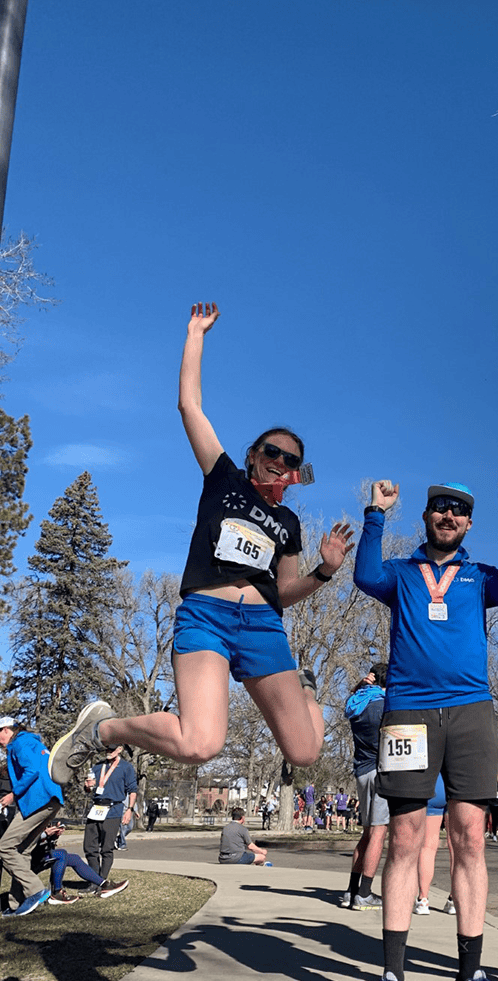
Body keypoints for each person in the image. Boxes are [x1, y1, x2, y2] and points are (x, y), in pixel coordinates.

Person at [47, 303, 353, 786]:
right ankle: (103, 730)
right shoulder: (223, 478)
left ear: (295, 471)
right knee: (200, 744)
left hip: (262, 626)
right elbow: (190, 405)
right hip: (207, 616)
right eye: (270, 451)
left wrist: (325, 571)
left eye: (289, 457)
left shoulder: (288, 522)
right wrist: (196, 335)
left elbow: (285, 590)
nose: (278, 459)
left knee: (305, 750)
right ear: (254, 455)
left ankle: (305, 690)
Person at [354, 478, 498, 981]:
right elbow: (364, 573)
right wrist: (376, 514)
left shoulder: (478, 578)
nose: (448, 515)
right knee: (406, 839)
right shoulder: (402, 574)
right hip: (407, 713)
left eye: (459, 510)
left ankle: (470, 980)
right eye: (440, 508)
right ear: (428, 516)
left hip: (471, 712)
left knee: (470, 838)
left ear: (468, 524)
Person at [340, 663, 390, 911]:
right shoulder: (384, 706)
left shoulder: (357, 703)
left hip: (361, 770)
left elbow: (353, 695)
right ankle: (365, 893)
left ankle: (351, 891)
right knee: (379, 834)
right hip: (380, 772)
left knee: (367, 834)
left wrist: (360, 685)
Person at [0, 717, 62, 916]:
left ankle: (35, 890)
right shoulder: (33, 742)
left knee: (5, 847)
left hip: (37, 800)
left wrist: (15, 792)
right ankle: (17, 903)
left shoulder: (18, 743)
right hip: (51, 799)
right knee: (23, 850)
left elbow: (32, 769)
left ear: (7, 730)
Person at [31, 821, 129, 903]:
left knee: (74, 858)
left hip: (39, 855)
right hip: (27, 860)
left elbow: (42, 843)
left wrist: (54, 835)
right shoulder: (27, 816)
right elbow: (22, 839)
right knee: (61, 854)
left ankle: (104, 885)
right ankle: (57, 894)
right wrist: (44, 834)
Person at [82, 744, 137, 883]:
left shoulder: (126, 767)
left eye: (111, 750)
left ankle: (102, 880)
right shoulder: (98, 766)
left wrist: (129, 810)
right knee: (89, 847)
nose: (108, 752)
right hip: (96, 808)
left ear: (120, 749)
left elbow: (132, 791)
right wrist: (87, 787)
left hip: (113, 810)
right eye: (106, 749)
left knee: (106, 848)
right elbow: (89, 788)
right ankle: (94, 879)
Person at [413, 776, 456, 916]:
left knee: (428, 847)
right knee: (455, 848)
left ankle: (423, 899)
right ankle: (454, 899)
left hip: (434, 783)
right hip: (456, 783)